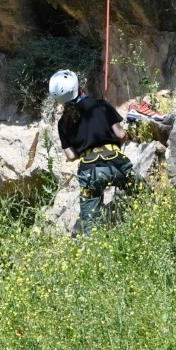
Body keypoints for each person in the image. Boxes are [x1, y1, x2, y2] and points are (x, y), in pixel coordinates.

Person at [49, 69, 136, 234]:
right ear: (79, 87)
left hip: (90, 171)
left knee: (90, 225)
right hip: (115, 162)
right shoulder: (101, 105)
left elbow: (71, 156)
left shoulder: (63, 123)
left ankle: (92, 244)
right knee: (142, 192)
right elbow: (121, 134)